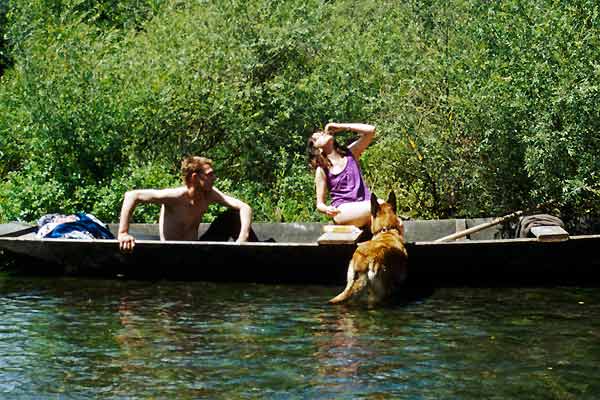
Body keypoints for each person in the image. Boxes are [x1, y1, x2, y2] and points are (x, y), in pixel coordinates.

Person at [118, 156, 256, 251]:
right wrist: (123, 233)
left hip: (196, 249)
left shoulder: (209, 194)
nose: (214, 178)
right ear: (195, 177)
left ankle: (260, 257)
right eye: (210, 175)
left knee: (233, 216)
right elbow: (131, 196)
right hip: (172, 251)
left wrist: (243, 237)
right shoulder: (175, 196)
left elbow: (245, 207)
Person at [307, 122, 404, 234]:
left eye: (321, 132)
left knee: (397, 224)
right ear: (317, 149)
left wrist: (341, 126)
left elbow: (371, 130)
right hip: (343, 211)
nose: (321, 134)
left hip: (367, 205)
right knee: (382, 206)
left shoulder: (350, 154)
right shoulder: (322, 169)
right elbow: (320, 204)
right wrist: (327, 209)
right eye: (317, 137)